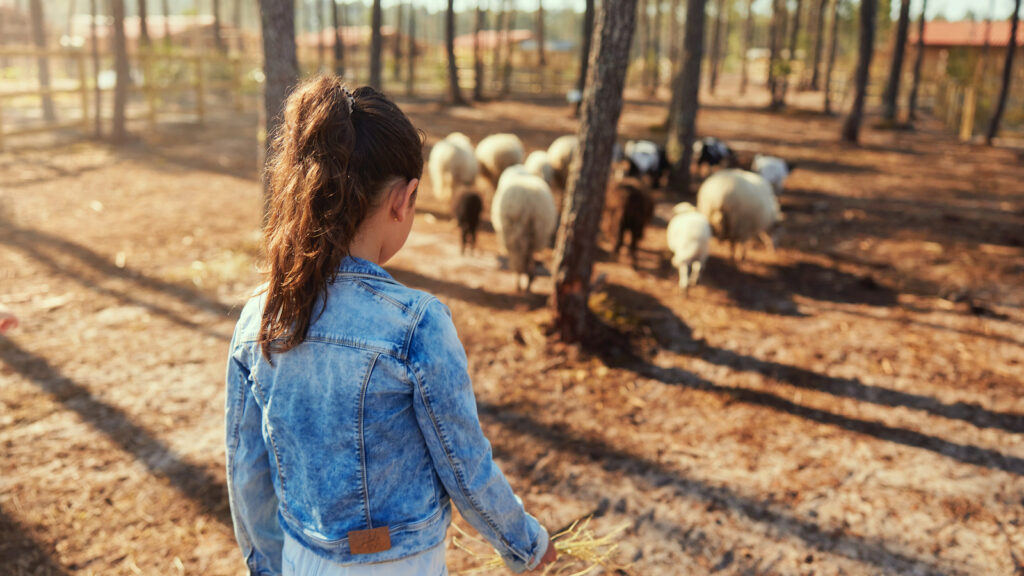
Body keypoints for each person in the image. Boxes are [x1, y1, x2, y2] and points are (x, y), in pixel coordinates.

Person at [225, 76, 557, 576]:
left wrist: (269, 564)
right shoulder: (416, 324)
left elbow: (246, 467)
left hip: (301, 559)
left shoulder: (261, 315)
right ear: (404, 199)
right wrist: (524, 543)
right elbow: (464, 468)